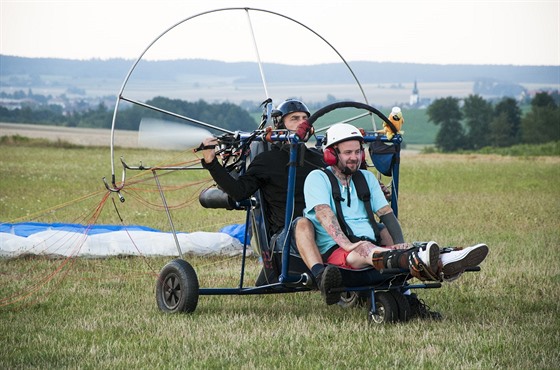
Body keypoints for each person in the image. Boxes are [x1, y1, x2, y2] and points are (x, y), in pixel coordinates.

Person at [301, 123, 489, 314]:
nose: (354, 158)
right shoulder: (317, 178)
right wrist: (349, 245)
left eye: (358, 152)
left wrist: (400, 244)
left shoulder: (366, 178)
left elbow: (386, 214)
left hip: (372, 247)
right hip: (339, 251)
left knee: (399, 246)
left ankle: (446, 259)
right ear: (332, 154)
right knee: (367, 248)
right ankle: (425, 259)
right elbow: (324, 215)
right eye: (348, 152)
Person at [200, 99, 325, 285]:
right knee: (302, 223)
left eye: (305, 118)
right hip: (287, 237)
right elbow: (239, 191)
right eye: (295, 119)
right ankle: (322, 277)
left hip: (323, 229)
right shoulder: (267, 160)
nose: (302, 123)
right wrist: (211, 163)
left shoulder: (319, 158)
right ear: (281, 125)